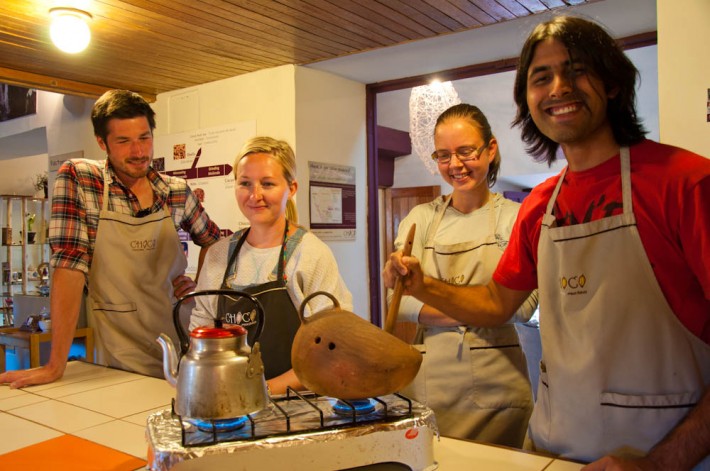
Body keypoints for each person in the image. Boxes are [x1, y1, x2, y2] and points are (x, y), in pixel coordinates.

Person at [384, 15, 709, 470]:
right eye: (541, 78)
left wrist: (660, 464)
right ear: (529, 100)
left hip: (663, 454)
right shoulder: (542, 205)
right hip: (552, 448)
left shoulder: (685, 184)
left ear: (612, 84)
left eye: (576, 70)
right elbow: (498, 303)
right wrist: (421, 285)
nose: (558, 88)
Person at [0, 89, 221, 388]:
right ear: (102, 142)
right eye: (124, 141)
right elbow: (68, 267)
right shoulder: (80, 178)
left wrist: (201, 286)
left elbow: (214, 242)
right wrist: (55, 365)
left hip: (177, 338)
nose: (139, 152)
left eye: (144, 138)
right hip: (118, 346)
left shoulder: (175, 191)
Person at [388, 103, 537, 446]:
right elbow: (398, 305)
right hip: (429, 387)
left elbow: (523, 308)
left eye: (466, 151)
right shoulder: (419, 220)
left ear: (491, 148)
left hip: (500, 391)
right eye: (443, 155)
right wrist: (487, 305)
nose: (455, 165)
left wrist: (426, 293)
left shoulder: (518, 218)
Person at [190, 136, 352, 395]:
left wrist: (261, 390)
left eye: (267, 184)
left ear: (292, 188)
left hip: (299, 404)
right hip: (228, 399)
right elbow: (200, 332)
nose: (255, 195)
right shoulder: (218, 256)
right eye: (245, 183)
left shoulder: (309, 254)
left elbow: (331, 346)